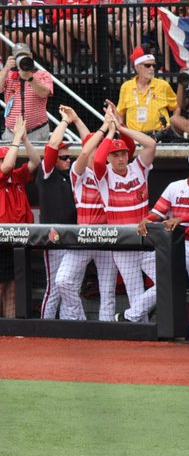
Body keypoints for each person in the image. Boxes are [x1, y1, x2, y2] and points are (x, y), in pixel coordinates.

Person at [95, 103, 158, 324]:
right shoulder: (104, 176)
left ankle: (127, 317)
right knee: (134, 291)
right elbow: (96, 160)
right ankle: (141, 332)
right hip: (122, 243)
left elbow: (151, 144)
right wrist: (110, 131)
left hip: (145, 239)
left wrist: (121, 127)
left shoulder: (138, 167)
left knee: (165, 280)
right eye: (115, 155)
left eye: (123, 154)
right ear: (109, 158)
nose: (120, 158)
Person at [56, 113, 118, 322]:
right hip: (82, 235)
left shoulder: (109, 172)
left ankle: (107, 331)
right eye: (92, 148)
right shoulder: (79, 172)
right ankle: (80, 320)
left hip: (106, 236)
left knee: (107, 291)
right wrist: (104, 127)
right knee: (63, 281)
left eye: (97, 149)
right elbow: (84, 152)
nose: (93, 152)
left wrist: (109, 128)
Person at [139, 174, 189, 340]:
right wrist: (147, 219)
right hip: (175, 244)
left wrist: (180, 219)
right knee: (165, 286)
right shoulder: (175, 187)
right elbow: (158, 212)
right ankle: (132, 315)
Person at [36, 108, 78, 320]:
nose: (68, 160)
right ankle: (45, 327)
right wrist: (64, 122)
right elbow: (52, 145)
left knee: (69, 286)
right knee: (53, 287)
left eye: (70, 156)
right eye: (64, 157)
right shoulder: (47, 173)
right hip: (53, 239)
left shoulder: (68, 176)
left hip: (70, 238)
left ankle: (67, 325)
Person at [0, 117, 37, 316]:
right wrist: (15, 138)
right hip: (1, 242)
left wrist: (24, 139)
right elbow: (6, 167)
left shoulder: (17, 176)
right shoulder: (2, 175)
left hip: (19, 242)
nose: (6, 161)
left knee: (13, 292)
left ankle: (11, 329)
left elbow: (35, 161)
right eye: (2, 158)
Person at [116, 47, 177, 134]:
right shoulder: (126, 87)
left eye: (154, 66)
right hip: (135, 136)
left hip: (159, 135)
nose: (152, 68)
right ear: (137, 67)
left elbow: (176, 106)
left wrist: (172, 127)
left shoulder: (163, 85)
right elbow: (120, 113)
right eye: (147, 65)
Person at [2, 43, 53, 146]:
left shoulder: (43, 74)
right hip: (11, 133)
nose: (21, 59)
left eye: (24, 56)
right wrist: (6, 69)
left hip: (37, 132)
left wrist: (30, 78)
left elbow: (44, 93)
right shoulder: (7, 74)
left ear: (30, 56)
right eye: (18, 56)